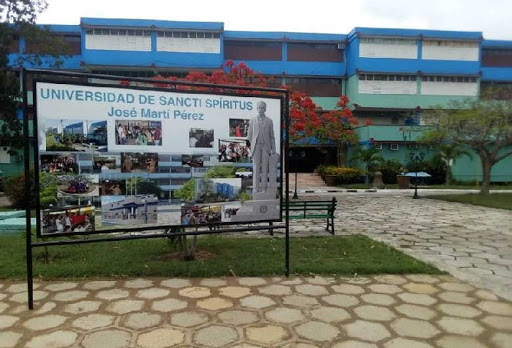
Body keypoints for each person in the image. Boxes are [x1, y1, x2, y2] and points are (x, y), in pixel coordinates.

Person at [247, 101, 276, 194]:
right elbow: (249, 136)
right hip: (256, 146)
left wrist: (273, 149)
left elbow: (272, 136)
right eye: (259, 107)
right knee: (256, 167)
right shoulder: (252, 120)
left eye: (262, 108)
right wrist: (252, 146)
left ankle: (264, 188)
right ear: (257, 108)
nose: (261, 109)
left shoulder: (269, 121)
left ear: (265, 109)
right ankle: (255, 188)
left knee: (264, 168)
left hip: (266, 147)